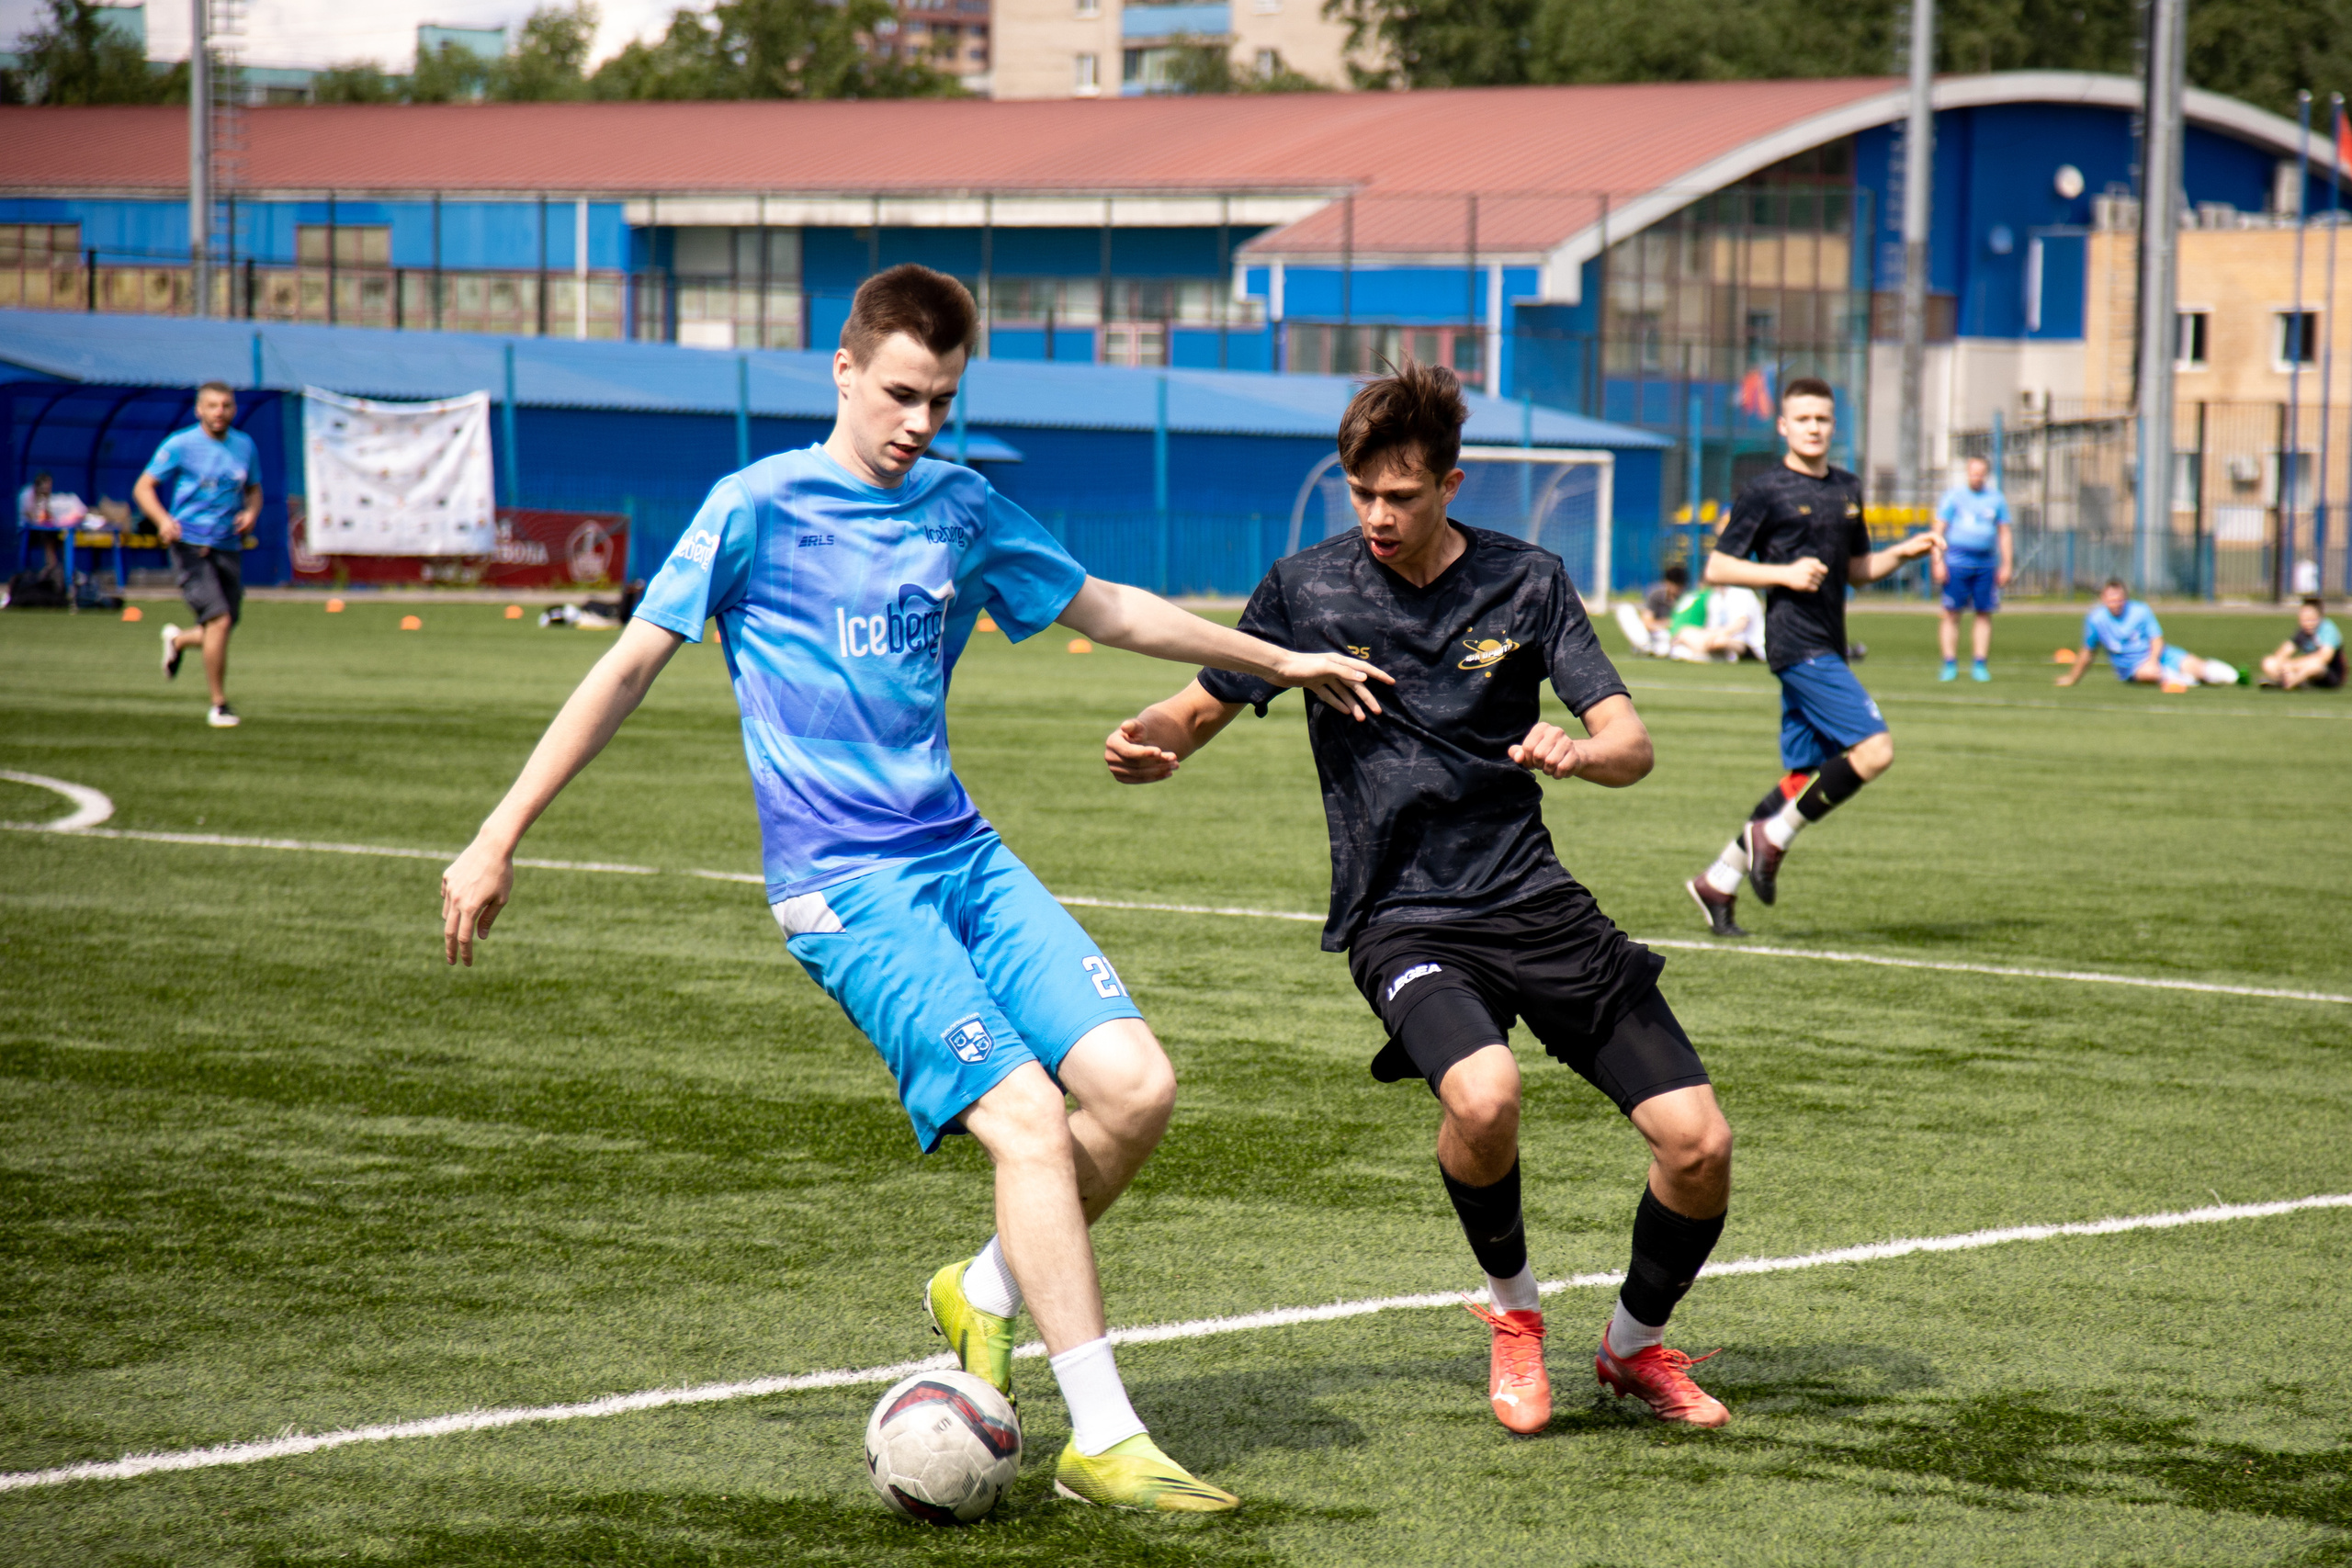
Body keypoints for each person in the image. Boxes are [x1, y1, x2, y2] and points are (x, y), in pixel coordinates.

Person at [436, 265, 1387, 1514]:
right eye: (899, 394)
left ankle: (984, 1288)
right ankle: (1103, 1435)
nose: (919, 422)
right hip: (846, 886)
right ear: (841, 371)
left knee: (1137, 1087)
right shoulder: (755, 508)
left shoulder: (961, 504)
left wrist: (1279, 657)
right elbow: (624, 669)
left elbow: (1105, 604)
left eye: (940, 398)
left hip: (964, 856)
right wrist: (498, 833)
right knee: (1030, 1120)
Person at [1104, 362, 1737, 1437]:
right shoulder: (1306, 588)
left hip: (1532, 896)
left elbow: (1631, 745)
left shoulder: (1527, 581)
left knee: (1698, 1144)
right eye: (1361, 494)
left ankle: (1632, 1349)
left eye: (1400, 495)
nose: (1378, 516)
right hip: (1402, 913)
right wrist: (1148, 740)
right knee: (1482, 1096)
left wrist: (1579, 754)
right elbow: (1202, 703)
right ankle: (1515, 1315)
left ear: (1449, 484)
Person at [1682, 378, 1941, 938]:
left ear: (1833, 424)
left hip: (1829, 638)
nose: (1814, 428)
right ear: (1783, 426)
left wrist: (1902, 550)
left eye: (1823, 419)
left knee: (1803, 777)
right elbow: (1718, 569)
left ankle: (1718, 880)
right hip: (1796, 644)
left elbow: (1857, 571)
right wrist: (1783, 573)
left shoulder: (1847, 488)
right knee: (1874, 750)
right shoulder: (1765, 490)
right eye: (1803, 419)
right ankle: (1773, 839)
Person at [134, 382, 261, 728]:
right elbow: (143, 487)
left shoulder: (244, 445)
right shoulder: (181, 444)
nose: (219, 411)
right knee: (218, 621)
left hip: (227, 545)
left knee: (223, 626)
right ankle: (219, 705)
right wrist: (162, 520)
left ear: (233, 409)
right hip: (189, 544)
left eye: (226, 405)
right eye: (212, 405)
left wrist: (251, 513)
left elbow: (254, 491)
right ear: (198, 410)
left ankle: (177, 640)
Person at [2058, 580, 2239, 692]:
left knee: (2199, 668)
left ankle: (2235, 677)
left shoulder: (2140, 611)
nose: (2115, 603)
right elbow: (2087, 652)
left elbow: (2157, 639)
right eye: (2111, 599)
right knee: (2149, 675)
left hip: (2161, 655)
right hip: (2133, 668)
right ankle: (2183, 679)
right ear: (2103, 599)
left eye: (2119, 599)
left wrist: (2153, 660)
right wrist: (2073, 678)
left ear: (2125, 598)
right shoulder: (2095, 620)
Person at [1931, 455, 2012, 682]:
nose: (1976, 477)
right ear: (1967, 473)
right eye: (1973, 472)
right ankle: (1949, 663)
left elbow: (2004, 533)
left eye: (1980, 473)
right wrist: (1938, 562)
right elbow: (1938, 530)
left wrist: (2007, 564)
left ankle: (1980, 663)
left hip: (1986, 563)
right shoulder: (1953, 497)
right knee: (1951, 613)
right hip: (1956, 563)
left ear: (1986, 474)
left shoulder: (1996, 499)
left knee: (1984, 613)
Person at [16, 470, 90, 585]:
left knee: (62, 539)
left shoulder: (46, 497)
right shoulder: (26, 495)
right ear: (38, 485)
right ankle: (51, 566)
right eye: (45, 487)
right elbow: (33, 518)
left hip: (45, 531)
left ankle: (68, 570)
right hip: (28, 532)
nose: (48, 490)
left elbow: (49, 518)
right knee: (48, 537)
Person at [2259, 596, 2344, 690]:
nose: (2307, 623)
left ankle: (2287, 683)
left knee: (2315, 666)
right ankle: (2293, 681)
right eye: (2304, 619)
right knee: (2268, 662)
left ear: (2320, 617)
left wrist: (2292, 665)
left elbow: (2324, 658)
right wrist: (2283, 667)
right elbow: (2283, 651)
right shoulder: (2303, 632)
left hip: (2329, 674)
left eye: (2311, 619)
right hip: (2302, 669)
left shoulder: (2328, 629)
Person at [1670, 584, 1766, 663]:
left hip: (1747, 645)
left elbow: (1740, 624)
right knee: (1685, 632)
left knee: (1719, 642)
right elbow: (1712, 626)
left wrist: (1712, 636)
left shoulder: (1741, 592)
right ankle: (1701, 654)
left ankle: (1700, 654)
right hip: (1718, 638)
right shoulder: (1715, 597)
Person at [1612, 561, 1690, 658]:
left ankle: (1653, 649)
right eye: (1674, 584)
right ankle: (1647, 647)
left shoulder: (1687, 599)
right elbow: (1648, 623)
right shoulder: (1656, 594)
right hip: (1654, 633)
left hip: (1674, 636)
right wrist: (1667, 623)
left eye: (1679, 586)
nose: (1676, 589)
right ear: (1667, 582)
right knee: (1624, 609)